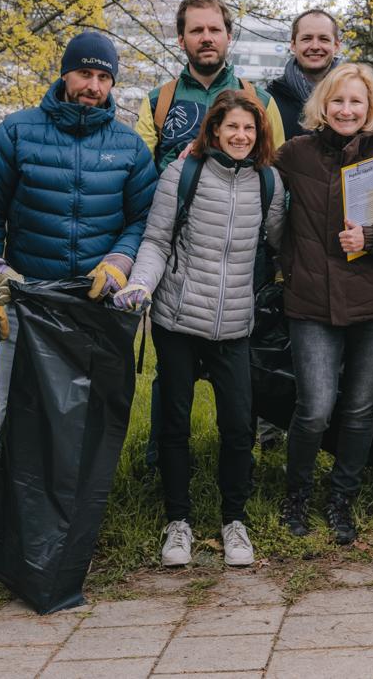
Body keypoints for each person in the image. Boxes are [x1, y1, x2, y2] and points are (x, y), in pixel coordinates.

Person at [0, 30, 157, 584]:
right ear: (64, 73)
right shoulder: (16, 132)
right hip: (26, 300)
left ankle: (66, 545)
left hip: (94, 307)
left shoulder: (127, 147)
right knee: (13, 423)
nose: (92, 86)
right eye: (84, 74)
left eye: (103, 77)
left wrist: (119, 260)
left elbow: (143, 219)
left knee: (82, 428)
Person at [112, 91, 286, 568]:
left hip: (234, 324)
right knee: (174, 423)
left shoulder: (269, 182)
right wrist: (141, 285)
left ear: (259, 134)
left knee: (236, 426)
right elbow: (156, 239)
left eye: (249, 129)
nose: (240, 136)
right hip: (177, 318)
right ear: (213, 131)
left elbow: (280, 244)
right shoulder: (182, 174)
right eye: (231, 127)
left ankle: (234, 520)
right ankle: (178, 521)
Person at [274, 62, 373, 545]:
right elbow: (252, 180)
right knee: (316, 409)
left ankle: (342, 498)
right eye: (338, 100)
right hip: (311, 303)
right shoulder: (294, 155)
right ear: (323, 104)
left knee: (359, 410)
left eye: (356, 102)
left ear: (369, 110)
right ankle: (296, 495)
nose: (346, 109)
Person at [136, 0, 284, 171]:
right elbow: (140, 175)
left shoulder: (262, 101)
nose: (207, 38)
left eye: (215, 30)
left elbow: (277, 171)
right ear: (181, 41)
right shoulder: (156, 102)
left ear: (228, 37)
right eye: (197, 30)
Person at [266, 8, 342, 140]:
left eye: (323, 39)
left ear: (336, 46)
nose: (315, 46)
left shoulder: (356, 99)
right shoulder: (269, 100)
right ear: (293, 45)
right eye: (307, 39)